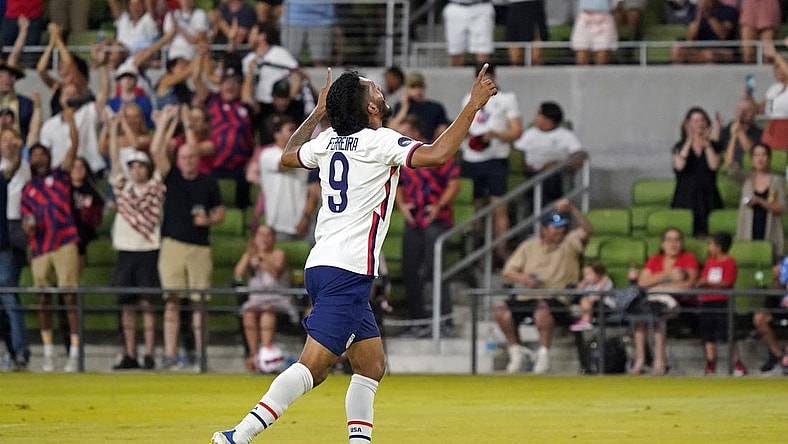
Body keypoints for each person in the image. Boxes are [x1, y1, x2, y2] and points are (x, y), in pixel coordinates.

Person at [209, 63, 498, 444]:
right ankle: (238, 435)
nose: (380, 91)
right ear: (372, 109)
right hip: (347, 269)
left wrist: (316, 112)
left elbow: (288, 155)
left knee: (372, 366)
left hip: (325, 264)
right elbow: (439, 153)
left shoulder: (328, 141)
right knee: (313, 368)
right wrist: (473, 105)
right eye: (374, 89)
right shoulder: (379, 142)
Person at [149, 105, 225, 371]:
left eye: (192, 157)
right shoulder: (172, 177)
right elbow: (157, 152)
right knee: (172, 301)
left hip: (200, 247)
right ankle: (170, 354)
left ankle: (201, 357)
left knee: (199, 304)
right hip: (172, 244)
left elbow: (220, 211)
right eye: (184, 157)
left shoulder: (208, 181)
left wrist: (211, 220)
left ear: (196, 159)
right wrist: (164, 123)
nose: (188, 161)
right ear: (178, 159)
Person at [494, 199, 592, 375]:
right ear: (544, 230)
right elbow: (508, 272)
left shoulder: (569, 243)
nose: (560, 230)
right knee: (501, 309)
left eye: (562, 226)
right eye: (555, 227)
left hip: (557, 298)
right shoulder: (528, 246)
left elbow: (587, 230)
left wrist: (573, 210)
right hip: (528, 296)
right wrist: (524, 278)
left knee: (542, 310)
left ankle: (543, 355)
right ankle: (516, 352)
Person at [21, 110, 81, 373]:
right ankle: (48, 351)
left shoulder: (60, 176)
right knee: (42, 298)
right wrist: (29, 225)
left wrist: (71, 124)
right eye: (34, 155)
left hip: (65, 240)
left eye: (41, 154)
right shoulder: (28, 188)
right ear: (31, 160)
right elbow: (26, 218)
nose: (38, 158)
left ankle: (75, 352)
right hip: (40, 245)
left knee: (70, 296)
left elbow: (73, 148)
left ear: (48, 156)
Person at [107, 115, 165, 370]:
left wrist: (162, 125)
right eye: (133, 166)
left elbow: (160, 158)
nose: (136, 170)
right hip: (125, 249)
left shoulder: (155, 187)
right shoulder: (123, 186)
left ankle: (149, 353)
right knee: (127, 305)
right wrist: (113, 130)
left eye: (141, 166)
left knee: (147, 304)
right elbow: (114, 164)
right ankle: (130, 353)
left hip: (148, 249)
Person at [394, 115, 460, 337]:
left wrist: (439, 205)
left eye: (404, 132)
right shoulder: (401, 157)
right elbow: (398, 184)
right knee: (409, 270)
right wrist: (402, 205)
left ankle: (444, 320)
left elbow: (453, 183)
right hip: (414, 220)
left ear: (417, 131)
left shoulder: (434, 152)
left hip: (436, 220)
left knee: (436, 270)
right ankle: (417, 320)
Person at [459, 64, 523, 265]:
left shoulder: (507, 99)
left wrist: (494, 134)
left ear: (494, 77)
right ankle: (474, 250)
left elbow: (517, 131)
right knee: (474, 207)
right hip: (471, 158)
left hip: (495, 158)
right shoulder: (467, 98)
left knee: (498, 207)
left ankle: (500, 253)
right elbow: (462, 125)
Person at [633, 228, 699, 376]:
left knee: (658, 316)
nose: (673, 244)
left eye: (677, 240)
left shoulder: (688, 258)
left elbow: (688, 284)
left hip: (679, 303)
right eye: (669, 240)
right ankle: (640, 360)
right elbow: (642, 283)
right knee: (639, 318)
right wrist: (667, 274)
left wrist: (659, 286)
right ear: (662, 244)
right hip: (652, 300)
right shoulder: (654, 260)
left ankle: (660, 362)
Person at [235, 225, 298, 372]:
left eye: (268, 235)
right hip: (257, 299)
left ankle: (266, 355)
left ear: (273, 238)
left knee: (267, 314)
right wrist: (248, 255)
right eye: (260, 234)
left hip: (278, 299)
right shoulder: (251, 254)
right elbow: (238, 274)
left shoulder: (279, 254)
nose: (264, 238)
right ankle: (253, 355)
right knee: (248, 314)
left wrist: (260, 259)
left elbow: (276, 272)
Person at [513, 101, 586, 205]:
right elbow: (517, 152)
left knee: (549, 178)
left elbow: (580, 157)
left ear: (548, 118)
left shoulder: (565, 135)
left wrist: (558, 164)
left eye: (539, 114)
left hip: (555, 173)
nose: (536, 117)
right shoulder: (530, 134)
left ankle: (550, 213)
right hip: (531, 172)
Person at [255, 117, 316, 240]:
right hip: (277, 225)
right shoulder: (268, 154)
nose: (295, 132)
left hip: (303, 224)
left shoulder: (304, 154)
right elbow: (284, 164)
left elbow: (312, 190)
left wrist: (306, 217)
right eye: (290, 129)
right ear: (276, 134)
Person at [696, 233, 747, 376]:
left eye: (711, 244)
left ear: (719, 246)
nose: (709, 247)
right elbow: (704, 278)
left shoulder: (730, 262)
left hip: (722, 301)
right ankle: (710, 363)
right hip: (707, 301)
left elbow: (727, 282)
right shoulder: (709, 261)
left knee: (727, 333)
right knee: (708, 333)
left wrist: (708, 283)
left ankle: (737, 363)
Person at [726, 142, 785, 262]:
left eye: (763, 155)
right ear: (752, 160)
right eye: (756, 155)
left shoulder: (777, 180)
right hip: (748, 231)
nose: (760, 159)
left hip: (769, 232)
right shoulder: (747, 178)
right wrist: (733, 137)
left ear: (769, 159)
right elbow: (730, 167)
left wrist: (760, 201)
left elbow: (782, 207)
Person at [670, 106, 722, 237]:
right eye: (695, 120)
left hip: (709, 195)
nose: (700, 123)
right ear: (688, 124)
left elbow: (714, 165)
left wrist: (707, 144)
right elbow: (679, 166)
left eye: (702, 120)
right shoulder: (680, 146)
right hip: (686, 196)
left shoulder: (713, 145)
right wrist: (689, 141)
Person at [0, 126, 27, 370]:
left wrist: (17, 148)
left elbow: (12, 168)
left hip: (2, 246)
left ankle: (19, 351)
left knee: (9, 298)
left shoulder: (3, 172)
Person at [388, 72, 450, 143]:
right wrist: (404, 107)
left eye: (420, 87)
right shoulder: (401, 106)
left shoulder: (435, 107)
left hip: (428, 145)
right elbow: (391, 129)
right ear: (407, 89)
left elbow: (443, 129)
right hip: (407, 145)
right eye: (413, 87)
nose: (417, 91)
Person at [670, 0, 738, 64]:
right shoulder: (694, 12)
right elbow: (690, 38)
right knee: (677, 50)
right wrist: (699, 15)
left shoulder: (729, 11)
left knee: (710, 55)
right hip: (700, 50)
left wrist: (709, 15)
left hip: (722, 50)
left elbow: (723, 35)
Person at [752, 256, 788, 374]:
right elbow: (768, 307)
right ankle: (779, 355)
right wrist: (778, 281)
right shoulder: (776, 287)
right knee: (759, 317)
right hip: (779, 316)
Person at [442, 0, 494, 66]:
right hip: (456, 6)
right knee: (455, 51)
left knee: (483, 50)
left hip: (481, 5)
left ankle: (482, 75)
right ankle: (457, 76)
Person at [569, 262, 614, 332]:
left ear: (598, 274)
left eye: (589, 274)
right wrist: (582, 284)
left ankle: (586, 321)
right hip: (591, 306)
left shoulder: (606, 281)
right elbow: (577, 294)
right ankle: (585, 320)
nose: (586, 277)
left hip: (605, 306)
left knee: (585, 300)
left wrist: (602, 284)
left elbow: (599, 296)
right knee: (579, 299)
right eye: (585, 275)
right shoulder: (588, 285)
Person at [570, 0, 619, 65]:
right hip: (584, 18)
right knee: (581, 60)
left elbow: (617, 6)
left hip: (604, 18)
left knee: (602, 61)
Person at [718, 98, 762, 168]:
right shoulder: (727, 129)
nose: (742, 113)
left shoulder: (759, 132)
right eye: (739, 109)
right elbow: (715, 149)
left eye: (747, 110)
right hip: (728, 167)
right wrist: (717, 129)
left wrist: (740, 131)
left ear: (754, 113)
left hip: (747, 170)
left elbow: (750, 151)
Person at [505, 0, 548, 66]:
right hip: (514, 6)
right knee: (515, 58)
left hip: (532, 5)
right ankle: (515, 73)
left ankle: (537, 73)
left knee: (536, 58)